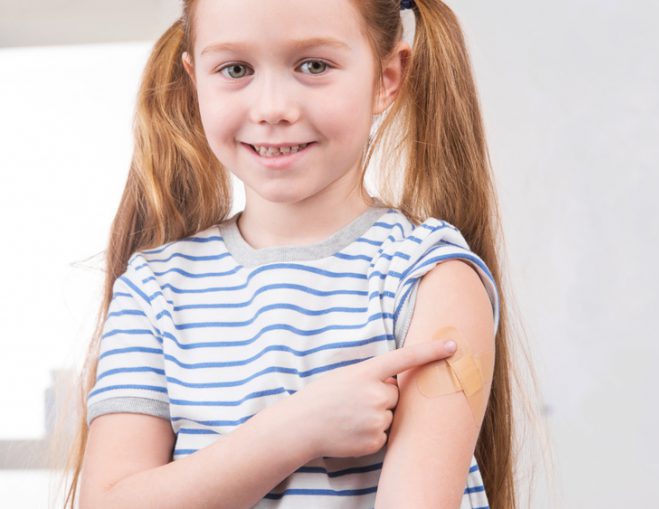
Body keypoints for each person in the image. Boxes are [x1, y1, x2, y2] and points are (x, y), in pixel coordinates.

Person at [56, 0, 533, 508]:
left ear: (387, 78)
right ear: (195, 79)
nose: (272, 108)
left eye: (314, 66)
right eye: (235, 69)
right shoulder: (153, 288)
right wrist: (295, 429)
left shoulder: (429, 277)